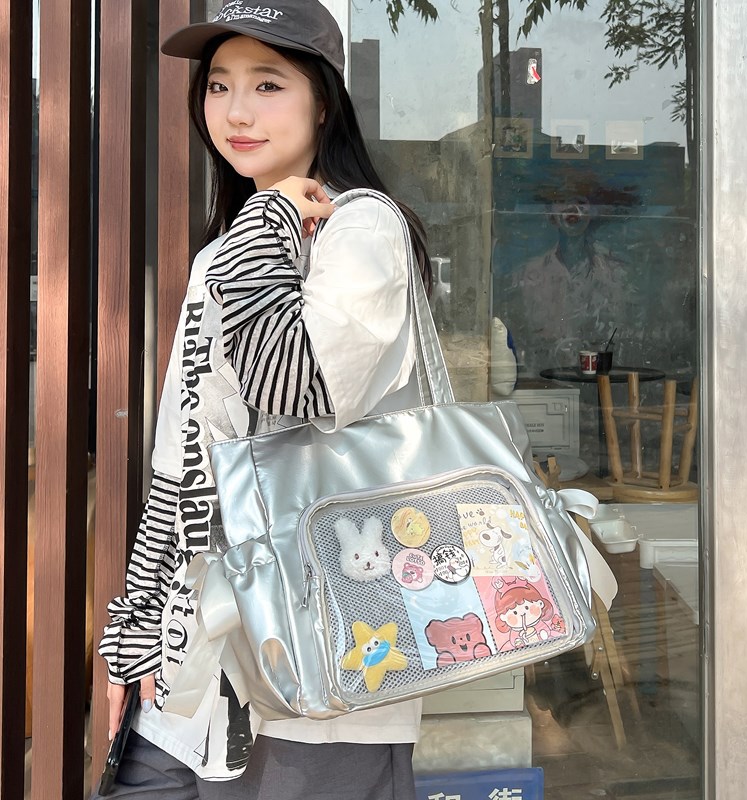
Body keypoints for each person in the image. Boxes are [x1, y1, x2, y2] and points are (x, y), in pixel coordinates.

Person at [92, 1, 432, 797]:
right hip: (192, 665)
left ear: (325, 103)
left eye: (268, 84)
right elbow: (182, 460)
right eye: (219, 85)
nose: (236, 112)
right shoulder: (227, 250)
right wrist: (135, 629)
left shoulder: (359, 229)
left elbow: (296, 387)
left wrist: (266, 220)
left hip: (319, 679)